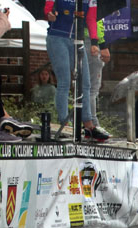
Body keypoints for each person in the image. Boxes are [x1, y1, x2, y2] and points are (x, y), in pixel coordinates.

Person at [44, 0, 109, 141]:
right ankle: (64, 123)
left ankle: (88, 125)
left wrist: (94, 42)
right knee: (64, 81)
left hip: (77, 40)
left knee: (85, 82)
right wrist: (49, 14)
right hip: (57, 37)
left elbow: (91, 19)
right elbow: (48, 8)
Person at [84, 19, 111, 138]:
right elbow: (96, 22)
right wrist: (103, 45)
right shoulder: (95, 3)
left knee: (87, 87)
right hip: (91, 41)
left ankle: (88, 122)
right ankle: (93, 124)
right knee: (92, 88)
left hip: (88, 40)